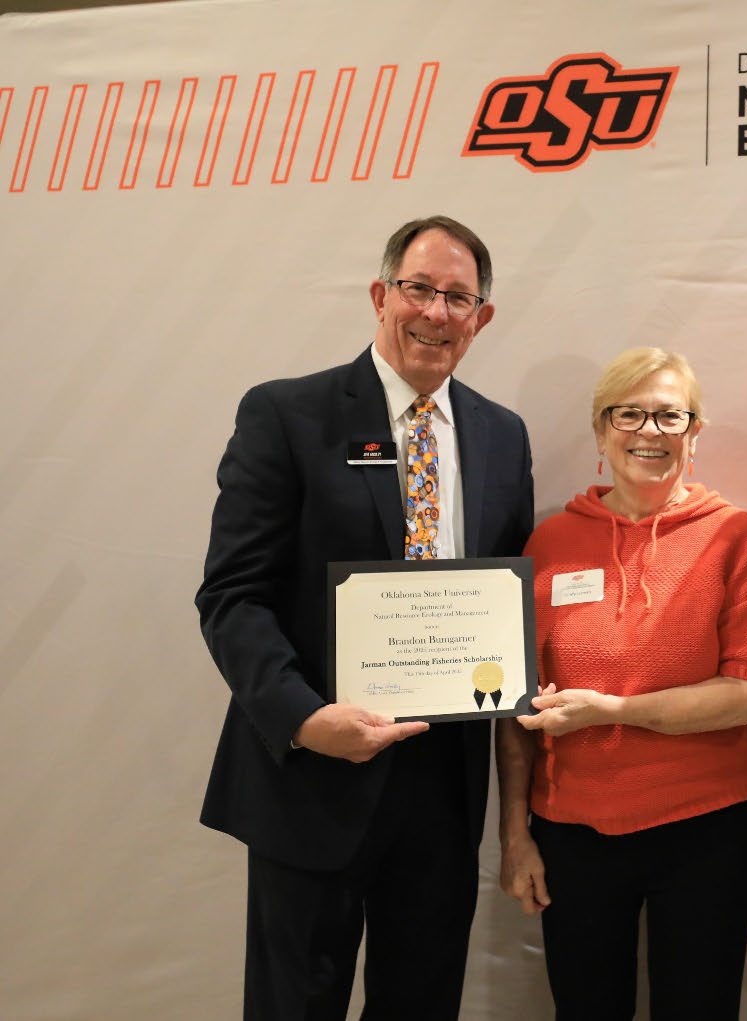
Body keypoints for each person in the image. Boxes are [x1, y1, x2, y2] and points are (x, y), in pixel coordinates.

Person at [195, 215, 533, 1020]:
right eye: (419, 289)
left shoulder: (500, 434)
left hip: (442, 790)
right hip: (313, 775)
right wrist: (304, 718)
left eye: (459, 297)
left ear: (481, 317)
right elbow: (232, 594)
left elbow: (503, 596)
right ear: (381, 296)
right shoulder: (287, 414)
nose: (437, 313)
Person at [497, 348, 747, 1021]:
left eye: (668, 416)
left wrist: (612, 710)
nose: (648, 432)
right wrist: (515, 833)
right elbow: (511, 710)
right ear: (600, 432)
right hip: (571, 830)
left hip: (706, 828)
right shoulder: (548, 542)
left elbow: (745, 694)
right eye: (629, 414)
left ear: (694, 433)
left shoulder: (733, 535)